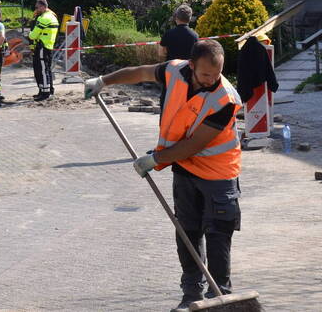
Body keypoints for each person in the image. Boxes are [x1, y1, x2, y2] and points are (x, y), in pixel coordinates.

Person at [83, 40, 242, 311]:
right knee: (187, 232)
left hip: (218, 173)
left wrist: (154, 160)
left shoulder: (225, 99)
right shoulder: (173, 70)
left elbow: (194, 145)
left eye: (217, 74)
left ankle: (220, 299)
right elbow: (140, 72)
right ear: (191, 66)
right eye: (205, 75)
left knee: (217, 234)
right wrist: (103, 80)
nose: (212, 80)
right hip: (184, 168)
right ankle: (192, 296)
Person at [29, 0, 60, 101]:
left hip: (42, 46)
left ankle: (45, 93)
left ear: (42, 6)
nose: (36, 10)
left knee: (42, 70)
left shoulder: (43, 18)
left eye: (37, 8)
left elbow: (33, 35)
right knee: (46, 69)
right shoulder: (53, 16)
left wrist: (30, 35)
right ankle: (46, 90)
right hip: (49, 46)